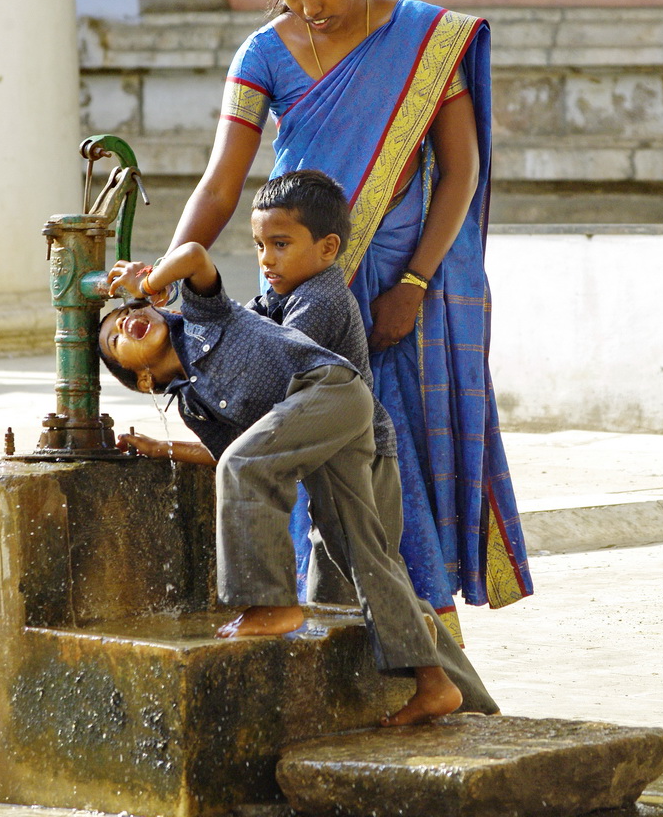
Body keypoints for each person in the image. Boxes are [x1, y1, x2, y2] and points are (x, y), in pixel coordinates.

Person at [164, 0, 533, 637]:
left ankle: (426, 636)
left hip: (405, 278)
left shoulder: (426, 39)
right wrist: (168, 277)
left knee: (399, 450)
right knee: (315, 453)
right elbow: (221, 185)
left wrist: (414, 284)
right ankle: (352, 631)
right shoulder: (262, 54)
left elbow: (460, 170)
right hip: (307, 281)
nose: (310, 7)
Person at [98, 241, 501, 724]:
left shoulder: (205, 315)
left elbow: (195, 255)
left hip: (333, 393)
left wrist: (146, 281)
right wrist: (162, 447)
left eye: (128, 312)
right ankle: (438, 686)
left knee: (256, 479)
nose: (125, 321)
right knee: (363, 560)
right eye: (115, 338)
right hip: (324, 441)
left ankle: (271, 604)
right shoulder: (193, 406)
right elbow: (233, 452)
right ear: (142, 379)